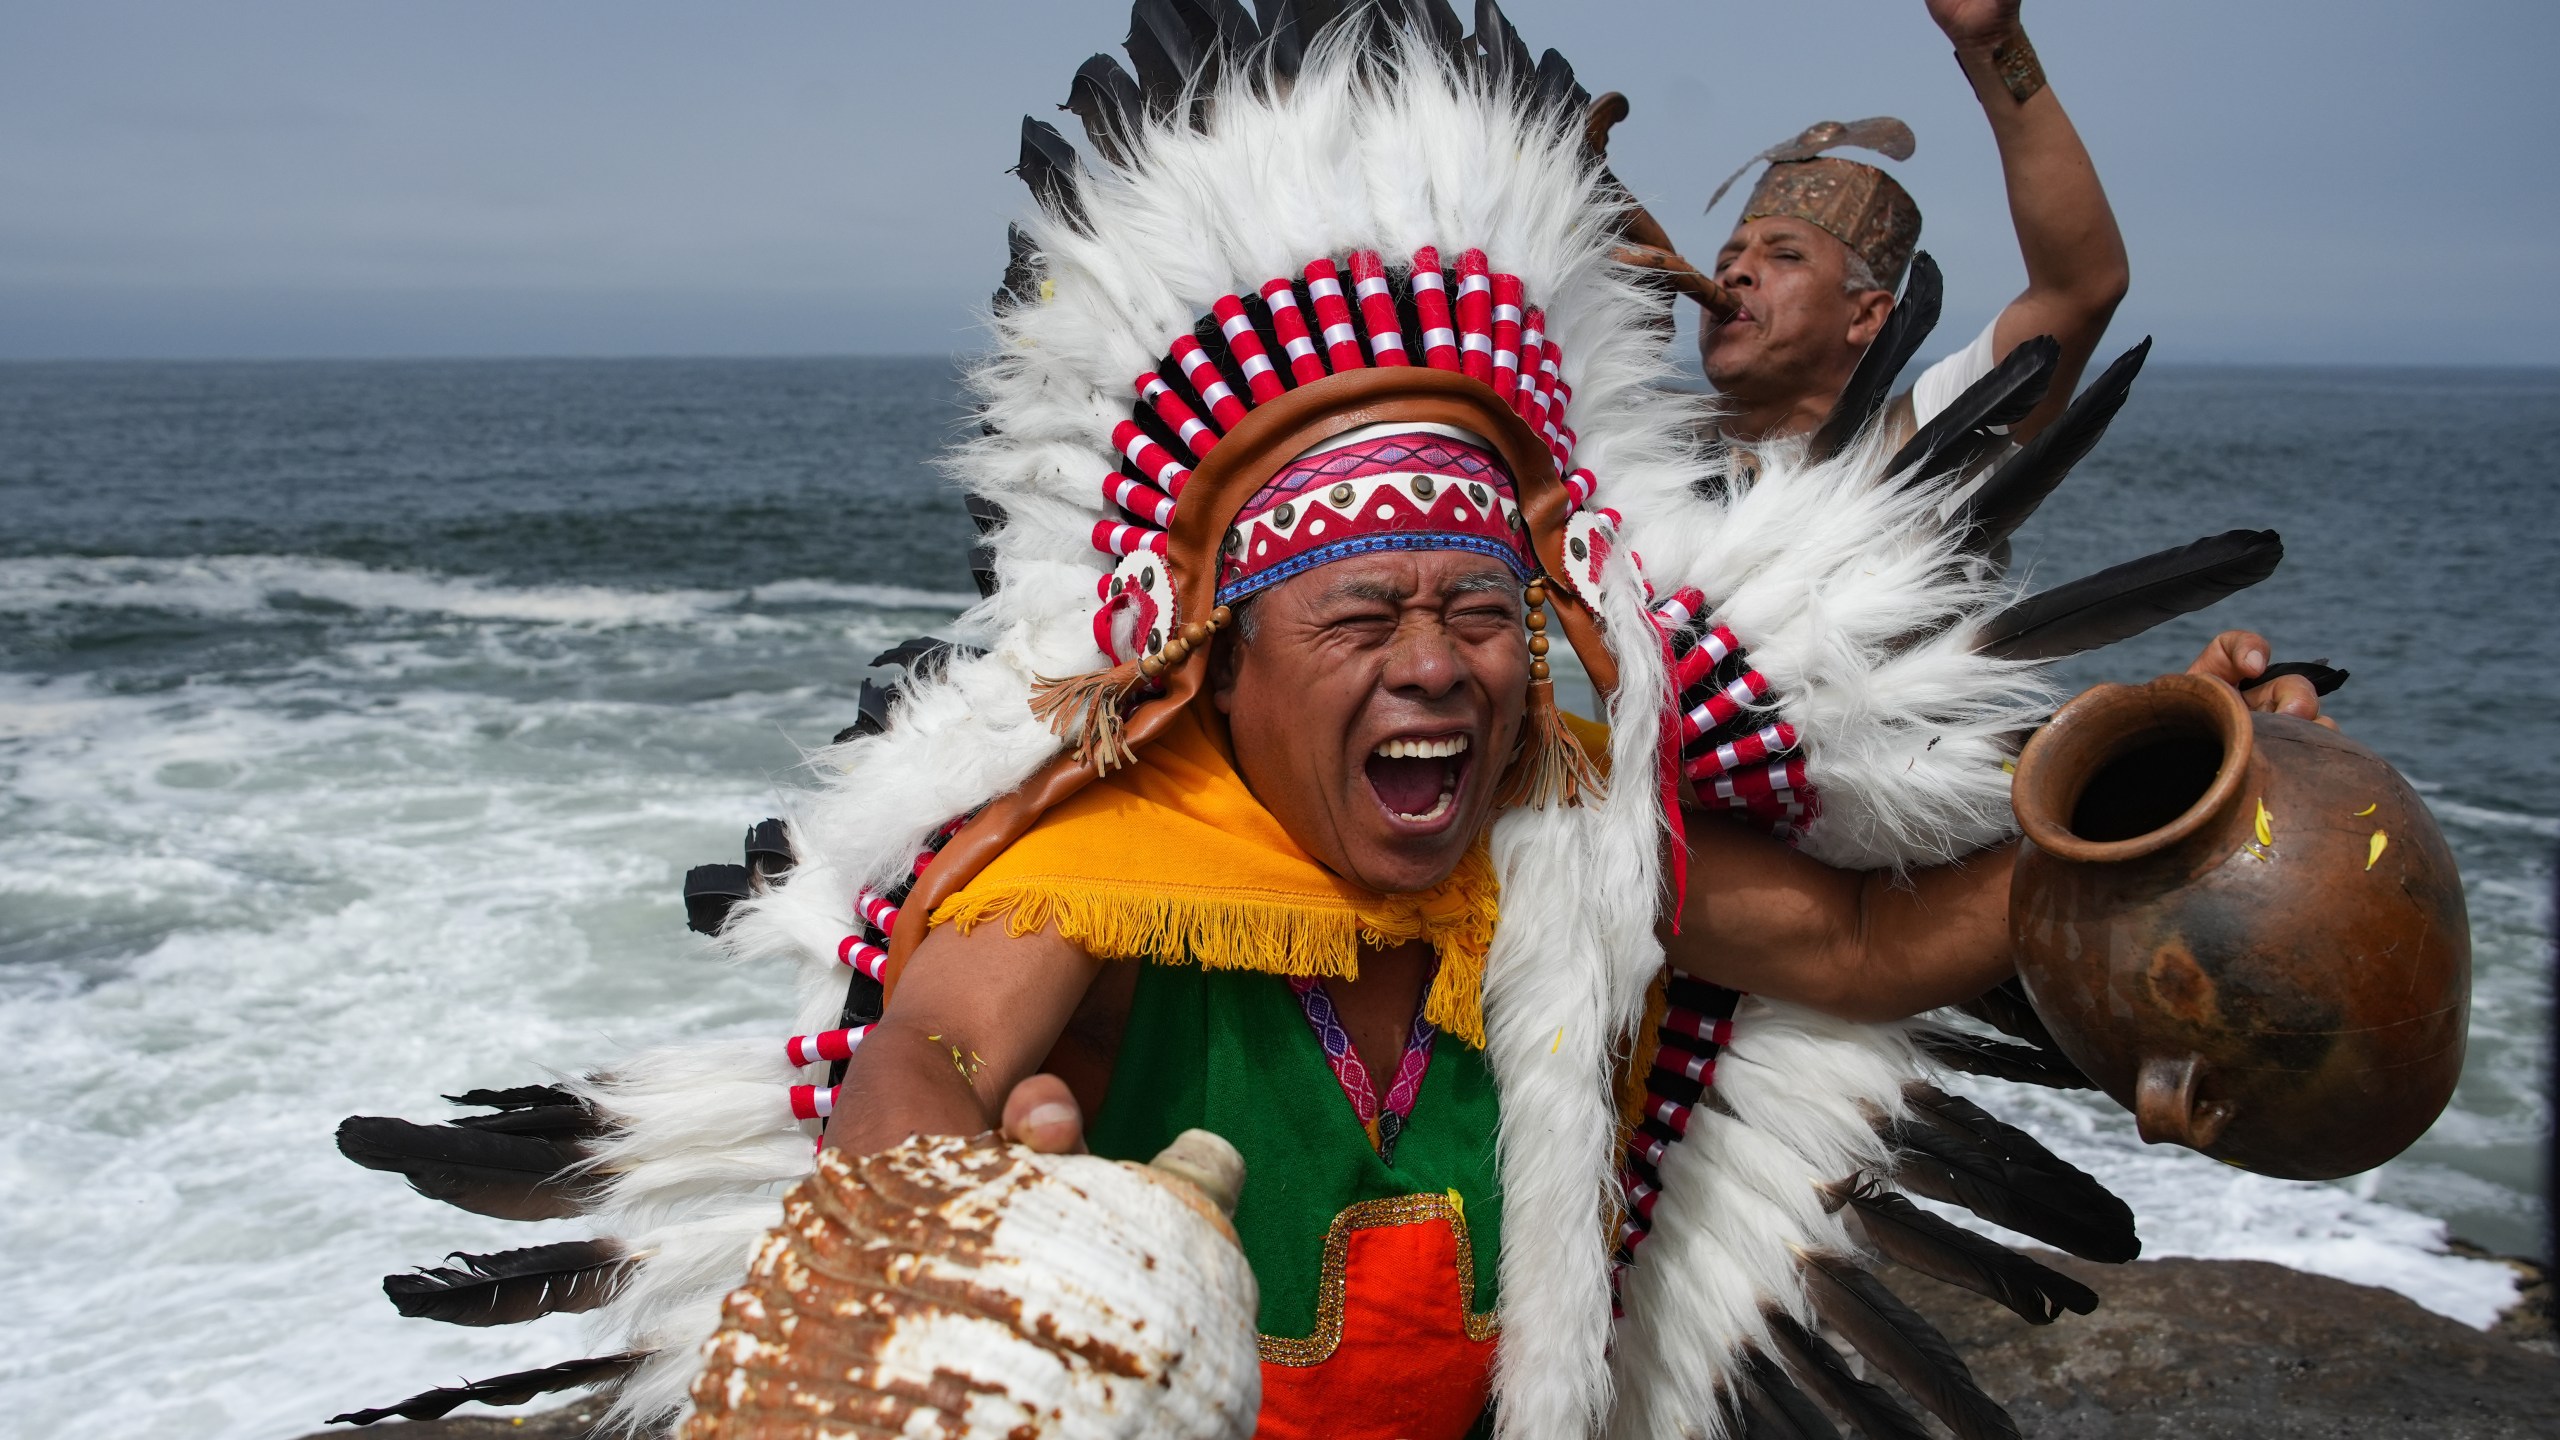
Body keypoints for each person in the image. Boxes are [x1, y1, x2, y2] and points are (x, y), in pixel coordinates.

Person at [331, 10, 2333, 1438]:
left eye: (1478, 612)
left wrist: (2164, 786)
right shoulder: (1115, 853)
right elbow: (925, 1051)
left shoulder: (1569, 830)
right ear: (1226, 660)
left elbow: (1871, 944)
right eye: (1363, 616)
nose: (1438, 664)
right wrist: (968, 1249)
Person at [1702, 0, 2130, 449]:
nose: (1735, 273)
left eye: (1786, 255)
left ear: (1867, 316)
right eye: (1725, 261)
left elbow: (2080, 289)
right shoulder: (1655, 433)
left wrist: (1991, 44)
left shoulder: (1920, 441)